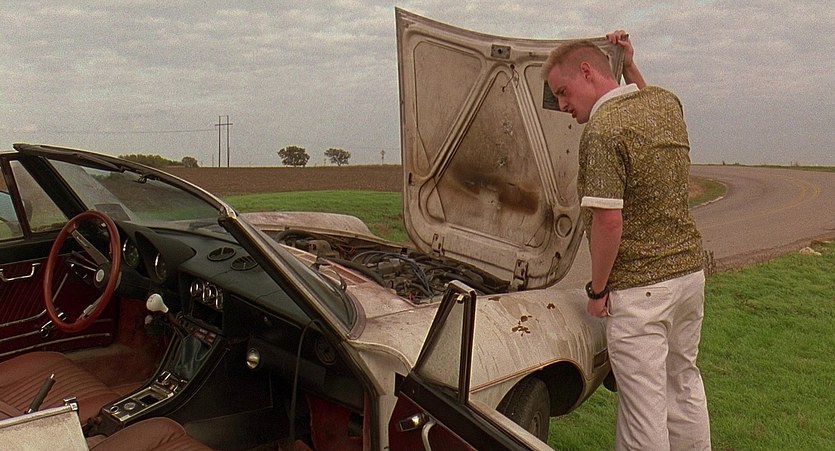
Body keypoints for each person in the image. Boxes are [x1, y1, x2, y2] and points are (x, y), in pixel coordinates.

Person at [541, 33, 711, 450]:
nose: (561, 105)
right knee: (683, 384)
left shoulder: (602, 131)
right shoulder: (665, 104)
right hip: (689, 278)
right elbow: (646, 108)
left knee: (643, 411)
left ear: (587, 72)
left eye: (562, 91)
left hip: (640, 293)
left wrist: (598, 290)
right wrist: (630, 65)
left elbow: (608, 221)